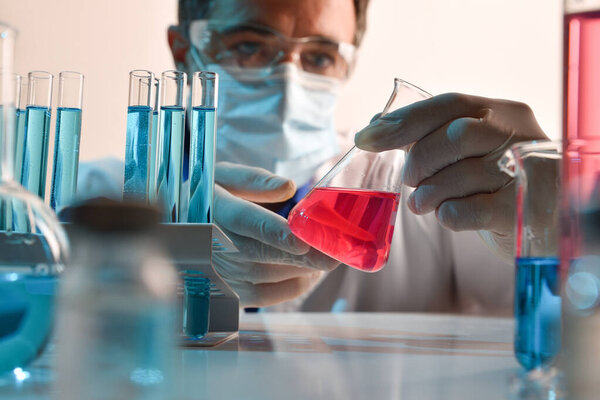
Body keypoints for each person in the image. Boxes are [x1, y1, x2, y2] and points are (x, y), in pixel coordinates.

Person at [83, 0, 549, 313]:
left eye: (320, 57)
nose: (288, 80)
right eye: (249, 46)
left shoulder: (430, 190)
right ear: (184, 53)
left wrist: (553, 225)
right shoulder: (93, 199)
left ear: (348, 62)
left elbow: (576, 324)